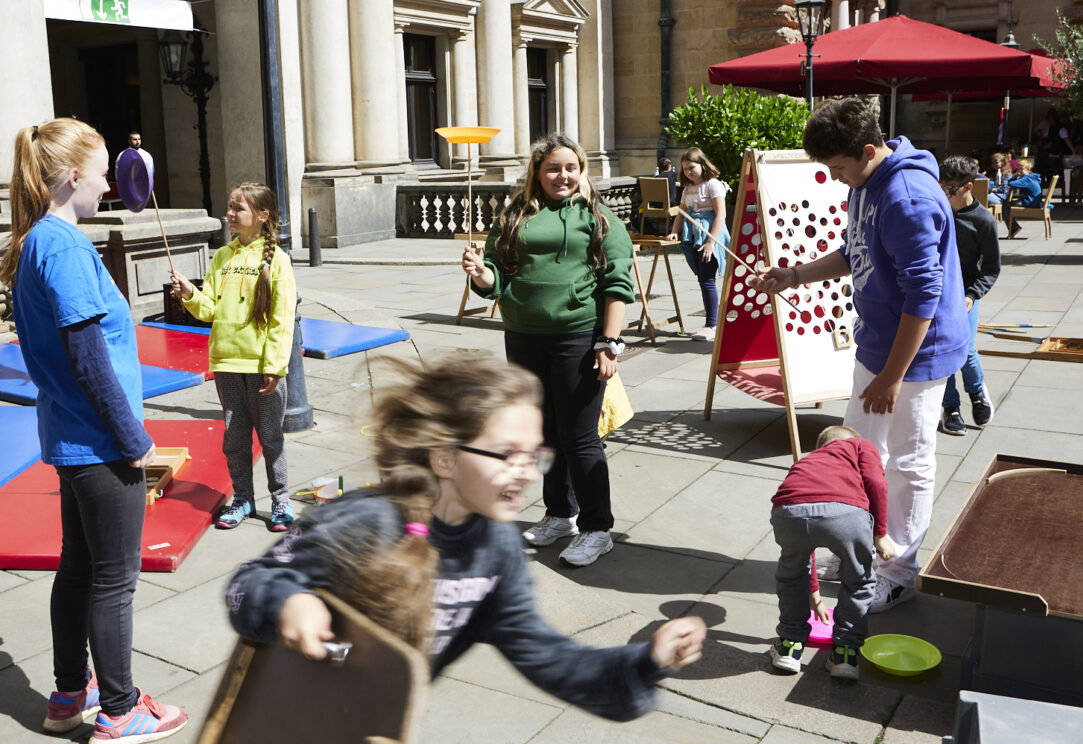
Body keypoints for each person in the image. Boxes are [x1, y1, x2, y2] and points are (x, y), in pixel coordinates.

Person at [225, 358, 707, 722]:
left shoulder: (495, 551)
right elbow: (247, 584)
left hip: (374, 724)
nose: (526, 472)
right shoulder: (365, 521)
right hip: (283, 717)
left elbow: (549, 657)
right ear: (445, 458)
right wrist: (290, 603)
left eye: (533, 455)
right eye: (507, 454)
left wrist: (646, 662)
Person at [2, 118, 188, 741]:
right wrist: (133, 440)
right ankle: (119, 708)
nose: (110, 186)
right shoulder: (64, 248)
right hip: (99, 443)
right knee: (113, 579)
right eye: (104, 173)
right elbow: (87, 359)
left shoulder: (38, 241)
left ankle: (67, 695)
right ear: (73, 175)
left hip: (72, 437)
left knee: (78, 569)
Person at [751, 97, 968, 612]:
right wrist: (795, 275)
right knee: (858, 453)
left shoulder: (907, 198)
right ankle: (861, 547)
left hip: (916, 358)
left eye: (838, 168)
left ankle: (898, 571)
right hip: (877, 347)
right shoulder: (865, 183)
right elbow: (856, 252)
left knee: (909, 463)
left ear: (869, 150)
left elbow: (924, 296)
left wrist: (892, 376)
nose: (835, 178)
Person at [461, 134, 634, 567]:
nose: (563, 176)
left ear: (581, 171)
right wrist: (481, 273)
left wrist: (609, 343)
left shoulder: (599, 218)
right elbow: (496, 276)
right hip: (523, 336)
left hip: (578, 336)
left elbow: (617, 283)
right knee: (543, 434)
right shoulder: (514, 215)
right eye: (553, 168)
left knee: (580, 436)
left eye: (571, 168)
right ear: (537, 172)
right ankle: (560, 514)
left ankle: (597, 528)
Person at [169, 182, 296, 532]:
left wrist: (274, 367)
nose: (230, 214)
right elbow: (209, 310)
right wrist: (190, 293)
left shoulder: (278, 260)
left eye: (239, 208)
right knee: (235, 439)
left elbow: (283, 320)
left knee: (270, 438)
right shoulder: (222, 256)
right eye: (230, 207)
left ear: (263, 215)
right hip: (226, 363)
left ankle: (281, 498)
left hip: (261, 366)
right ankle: (243, 498)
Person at [769, 426, 895, 681]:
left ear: (821, 447)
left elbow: (809, 541)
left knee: (792, 574)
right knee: (859, 580)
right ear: (852, 441)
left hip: (788, 512)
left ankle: (789, 648)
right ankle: (844, 655)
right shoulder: (861, 446)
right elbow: (875, 481)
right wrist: (880, 533)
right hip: (845, 516)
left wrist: (813, 593)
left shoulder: (808, 461)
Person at [937, 156, 1000, 435]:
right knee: (942, 351)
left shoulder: (984, 220)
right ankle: (950, 406)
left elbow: (991, 268)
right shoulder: (938, 211)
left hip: (965, 293)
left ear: (968, 187)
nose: (944, 194)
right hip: (936, 293)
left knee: (965, 348)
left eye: (950, 189)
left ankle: (976, 392)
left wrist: (973, 295)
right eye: (941, 187)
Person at [666, 147, 729, 342]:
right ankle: (710, 322)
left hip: (710, 236)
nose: (688, 172)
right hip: (694, 236)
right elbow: (681, 213)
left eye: (691, 167)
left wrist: (711, 242)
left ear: (702, 164)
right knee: (702, 279)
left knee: (707, 279)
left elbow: (721, 214)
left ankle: (712, 325)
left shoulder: (713, 185)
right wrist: (674, 231)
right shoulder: (688, 188)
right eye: (685, 168)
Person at [1005, 157, 1043, 239]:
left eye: (1021, 169)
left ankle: (1014, 228)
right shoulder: (1032, 177)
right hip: (1034, 201)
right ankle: (1013, 225)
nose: (1019, 171)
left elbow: (1011, 183)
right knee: (1009, 204)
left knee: (1006, 205)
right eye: (1018, 169)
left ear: (1028, 170)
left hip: (1030, 202)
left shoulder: (1027, 179)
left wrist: (1014, 175)